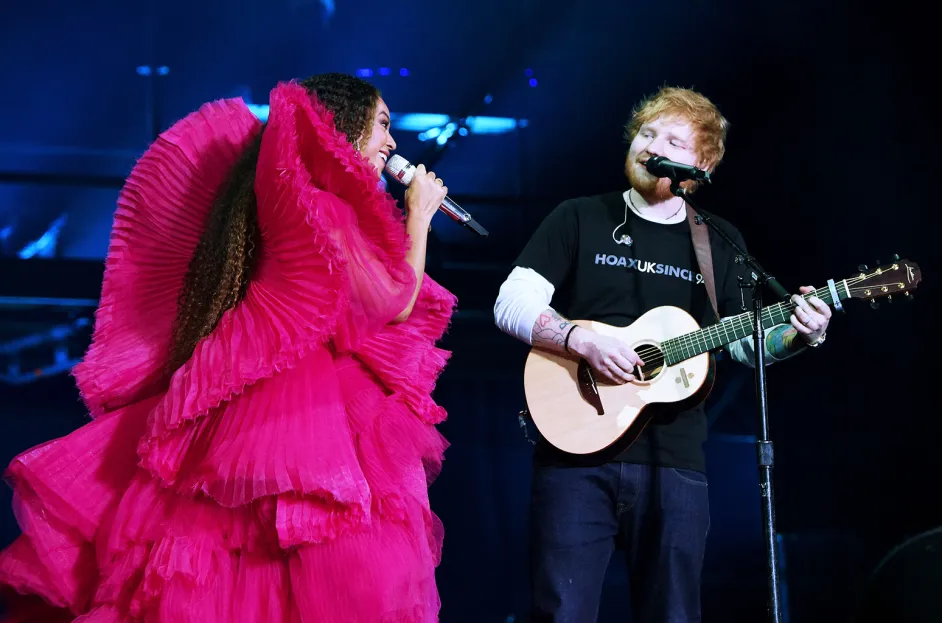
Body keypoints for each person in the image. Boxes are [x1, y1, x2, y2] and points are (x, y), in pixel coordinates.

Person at [0, 73, 457, 622]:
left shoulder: (296, 198)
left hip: (249, 390)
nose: (392, 144)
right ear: (345, 127)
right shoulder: (324, 209)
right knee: (312, 550)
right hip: (297, 402)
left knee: (237, 553)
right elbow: (394, 300)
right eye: (383, 125)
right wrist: (420, 216)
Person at [493, 86, 832, 622]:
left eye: (670, 140)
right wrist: (579, 339)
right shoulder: (580, 216)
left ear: (700, 165)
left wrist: (799, 334)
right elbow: (511, 302)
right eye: (645, 134)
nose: (650, 146)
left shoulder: (718, 241)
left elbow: (745, 341)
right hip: (574, 458)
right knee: (560, 612)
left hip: (675, 464)